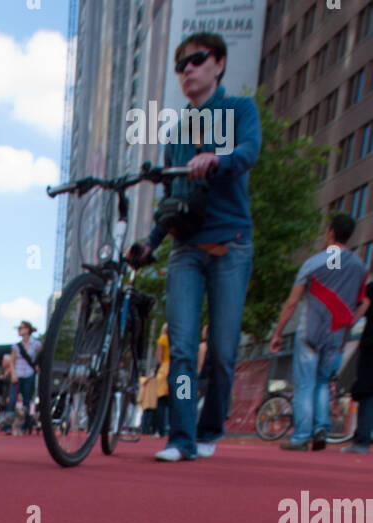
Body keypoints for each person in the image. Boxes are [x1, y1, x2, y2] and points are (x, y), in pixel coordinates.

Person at [128, 32, 261, 461]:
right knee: (182, 349)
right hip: (185, 248)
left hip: (231, 245)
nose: (187, 70)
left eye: (196, 60)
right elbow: (170, 202)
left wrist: (218, 159)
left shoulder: (239, 109)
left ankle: (210, 428)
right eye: (180, 65)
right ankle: (181, 437)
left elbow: (248, 151)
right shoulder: (178, 131)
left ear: (218, 64)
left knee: (222, 351)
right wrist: (148, 245)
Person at [269, 213, 368, 451]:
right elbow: (362, 302)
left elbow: (292, 302)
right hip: (336, 333)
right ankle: (321, 427)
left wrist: (278, 332)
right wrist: (348, 326)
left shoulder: (316, 262)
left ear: (331, 232)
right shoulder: (359, 268)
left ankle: (301, 436)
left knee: (305, 384)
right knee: (323, 382)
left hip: (310, 330)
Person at [343, 279, 373, 454]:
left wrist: (347, 327)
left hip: (371, 345)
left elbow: (362, 308)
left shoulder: (371, 288)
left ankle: (361, 440)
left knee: (367, 392)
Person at [10, 321, 41, 435]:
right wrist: (13, 374)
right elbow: (12, 361)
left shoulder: (36, 344)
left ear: (28, 329)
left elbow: (41, 356)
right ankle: (11, 425)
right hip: (17, 374)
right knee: (13, 400)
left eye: (21, 328)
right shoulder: (16, 346)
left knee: (27, 401)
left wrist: (38, 365)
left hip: (29, 374)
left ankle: (24, 426)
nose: (19, 330)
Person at [155, 323, 171, 436]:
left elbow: (158, 359)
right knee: (182, 399)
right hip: (181, 371)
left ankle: (161, 430)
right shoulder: (182, 339)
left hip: (165, 370)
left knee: (161, 402)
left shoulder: (163, 339)